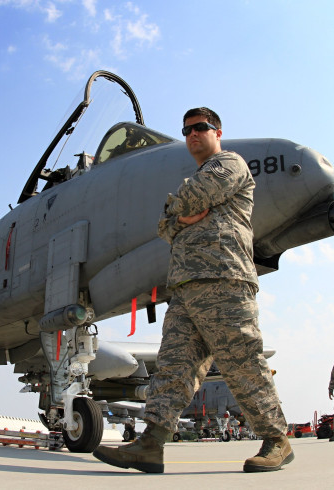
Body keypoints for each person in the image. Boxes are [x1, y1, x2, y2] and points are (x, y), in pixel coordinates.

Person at [92, 107, 293, 473]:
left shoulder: (230, 164)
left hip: (224, 278)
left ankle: (277, 439)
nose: (192, 135)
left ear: (217, 131)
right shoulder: (201, 173)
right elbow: (162, 227)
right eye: (186, 131)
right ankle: (150, 444)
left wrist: (177, 214)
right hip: (185, 286)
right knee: (173, 367)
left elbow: (191, 198)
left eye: (200, 128)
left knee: (241, 361)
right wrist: (177, 218)